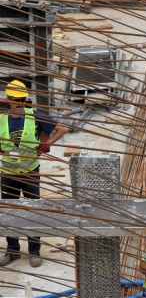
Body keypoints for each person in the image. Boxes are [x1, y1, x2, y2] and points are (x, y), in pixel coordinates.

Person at [0, 80, 68, 266]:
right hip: (7, 173)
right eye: (15, 99)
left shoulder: (35, 116)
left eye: (22, 99)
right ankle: (12, 250)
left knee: (33, 211)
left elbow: (62, 128)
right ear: (8, 99)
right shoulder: (1, 119)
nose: (19, 103)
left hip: (30, 171)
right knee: (9, 212)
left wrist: (47, 143)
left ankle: (34, 251)